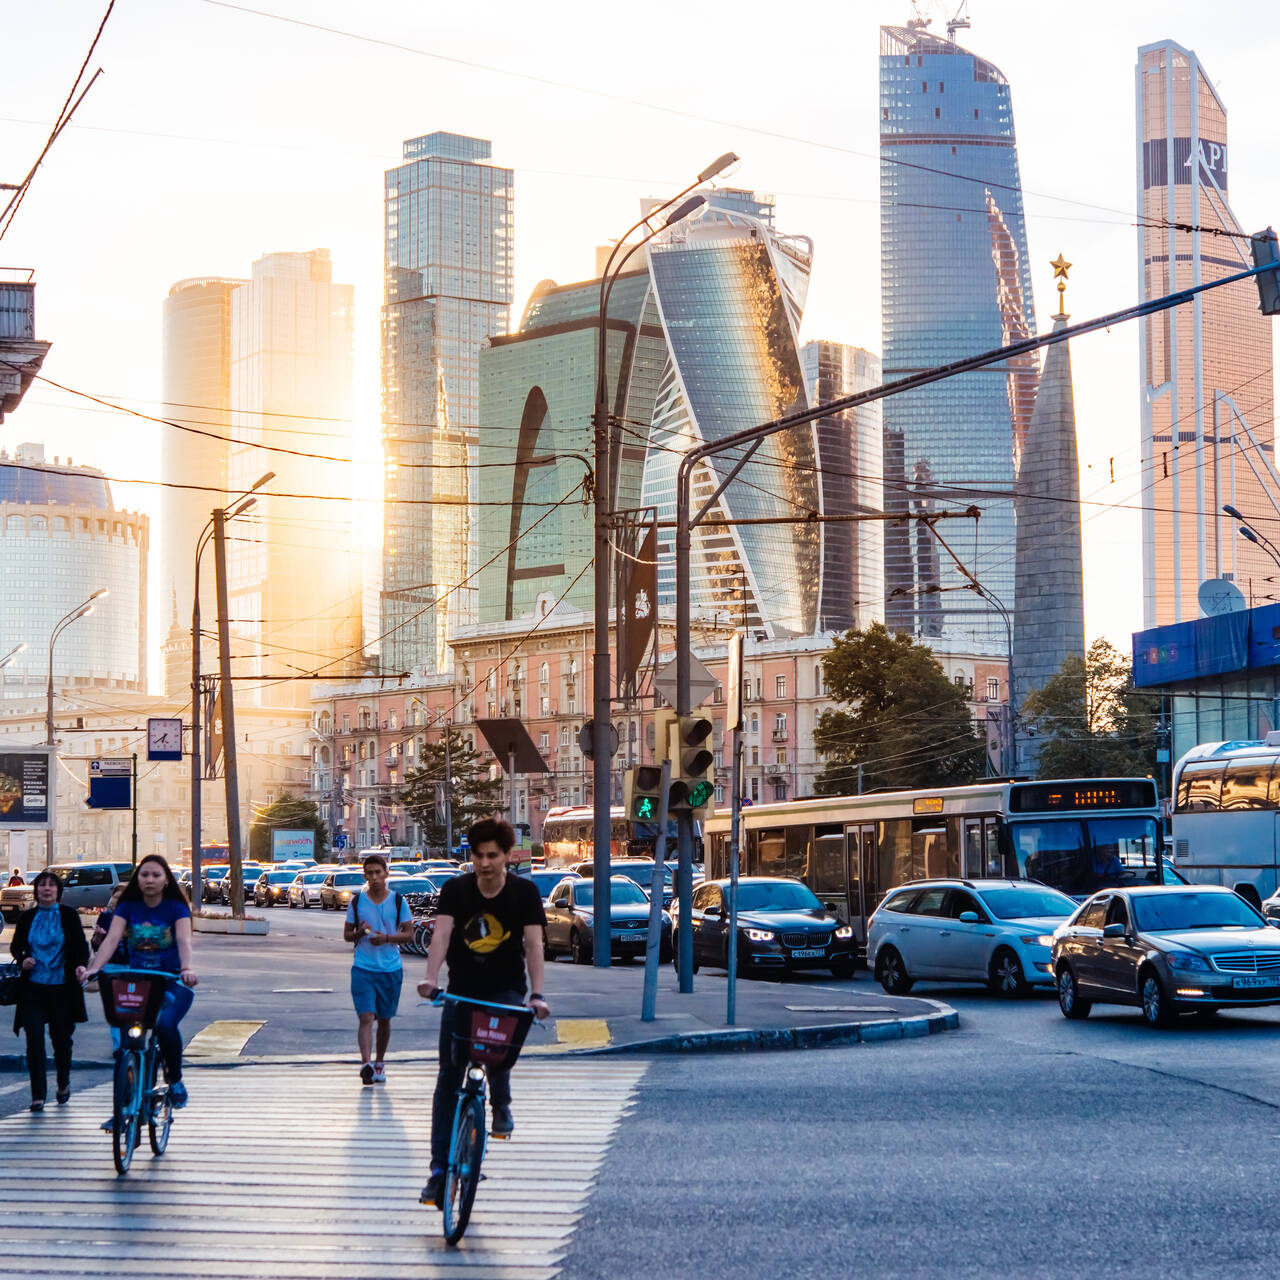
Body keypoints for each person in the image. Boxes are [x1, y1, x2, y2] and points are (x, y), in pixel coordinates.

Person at [418, 818, 550, 1208]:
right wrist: (430, 979)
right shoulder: (455, 890)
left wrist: (538, 994)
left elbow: (533, 945)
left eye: (493, 855)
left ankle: (500, 1103)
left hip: (505, 989)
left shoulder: (524, 893)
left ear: (508, 856)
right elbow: (441, 935)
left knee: (498, 1049)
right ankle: (439, 1173)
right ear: (470, 856)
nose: (485, 862)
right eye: (478, 855)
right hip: (461, 991)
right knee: (448, 1078)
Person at [78, 855, 198, 1110]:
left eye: (156, 875)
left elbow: (184, 941)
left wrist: (187, 969)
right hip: (139, 983)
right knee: (126, 1043)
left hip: (171, 982)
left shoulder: (176, 908)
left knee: (165, 1026)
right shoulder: (128, 907)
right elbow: (110, 941)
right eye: (144, 875)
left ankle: (175, 1080)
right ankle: (125, 1108)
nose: (150, 880)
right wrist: (93, 969)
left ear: (166, 879)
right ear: (138, 879)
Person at [10, 870, 90, 1111]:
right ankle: (38, 1095)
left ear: (58, 891)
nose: (46, 889)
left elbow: (79, 945)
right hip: (33, 988)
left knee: (61, 1041)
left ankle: (63, 1083)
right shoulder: (28, 917)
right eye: (42, 885)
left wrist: (79, 965)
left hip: (62, 989)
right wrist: (23, 958)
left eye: (51, 885)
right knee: (34, 1040)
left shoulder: (68, 915)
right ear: (36, 891)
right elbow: (17, 946)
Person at [343, 852, 414, 1085]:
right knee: (366, 1016)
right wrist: (360, 933)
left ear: (386, 874)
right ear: (364, 875)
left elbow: (409, 935)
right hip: (363, 967)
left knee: (384, 1019)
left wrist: (386, 939)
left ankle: (380, 1062)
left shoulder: (397, 901)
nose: (373, 877)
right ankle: (365, 1064)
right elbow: (347, 935)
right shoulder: (356, 902)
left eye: (378, 872)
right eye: (369, 873)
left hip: (391, 969)